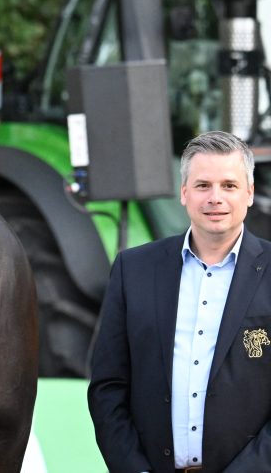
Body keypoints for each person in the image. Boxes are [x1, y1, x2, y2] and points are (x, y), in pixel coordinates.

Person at [88, 130, 271, 473]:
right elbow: (107, 387)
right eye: (203, 186)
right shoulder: (133, 269)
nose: (215, 198)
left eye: (229, 186)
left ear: (249, 193)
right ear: (184, 193)